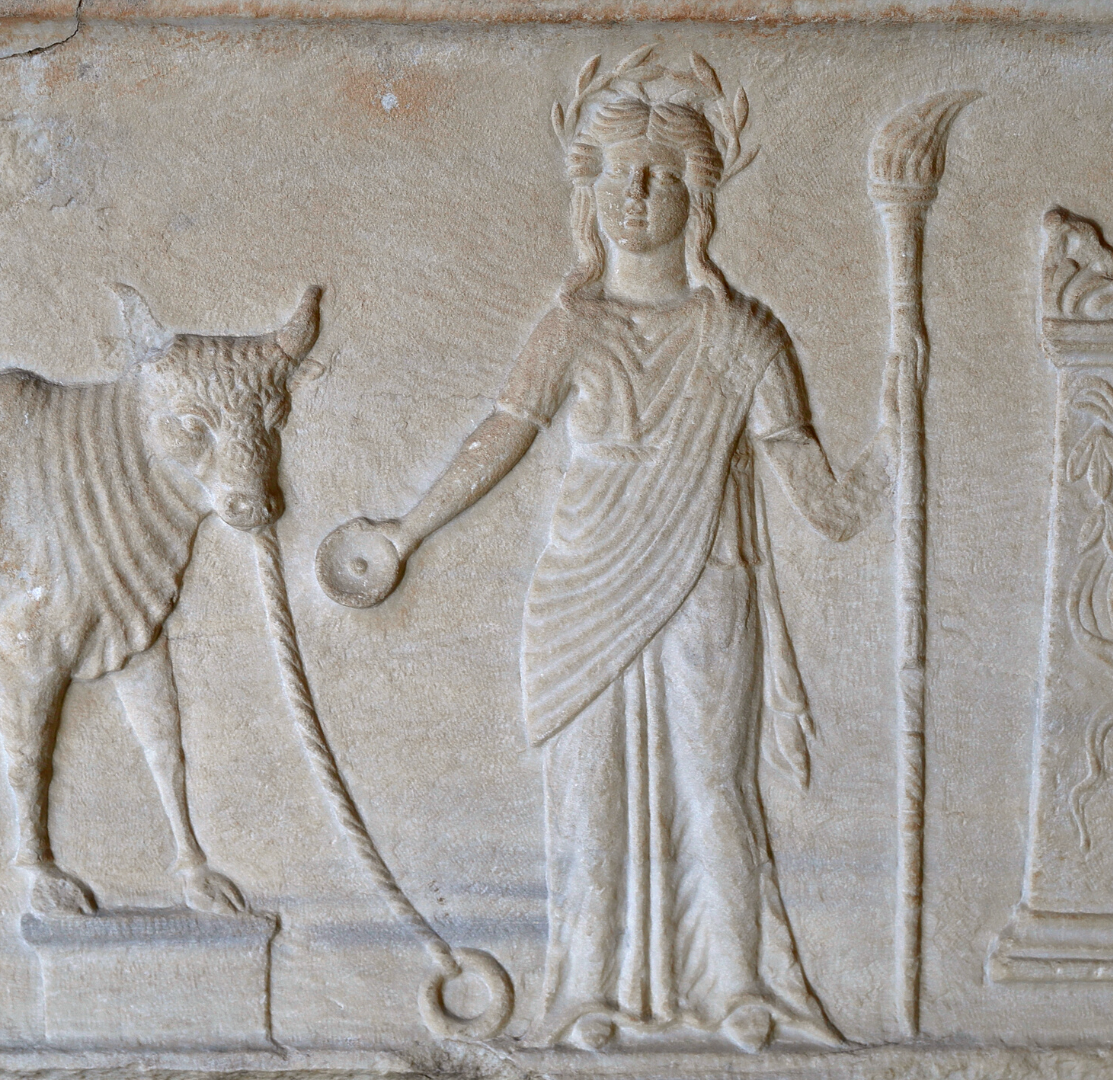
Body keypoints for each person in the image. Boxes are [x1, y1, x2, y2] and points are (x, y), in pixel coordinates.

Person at [319, 91, 894, 1052]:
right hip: (582, 587)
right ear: (590, 193)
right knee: (585, 793)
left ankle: (735, 984)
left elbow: (826, 506)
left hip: (706, 578)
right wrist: (406, 531)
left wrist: (896, 436)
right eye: (622, 174)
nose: (638, 193)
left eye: (662, 177)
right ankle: (584, 989)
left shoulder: (745, 336)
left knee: (716, 785)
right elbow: (503, 436)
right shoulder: (571, 330)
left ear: (697, 200)